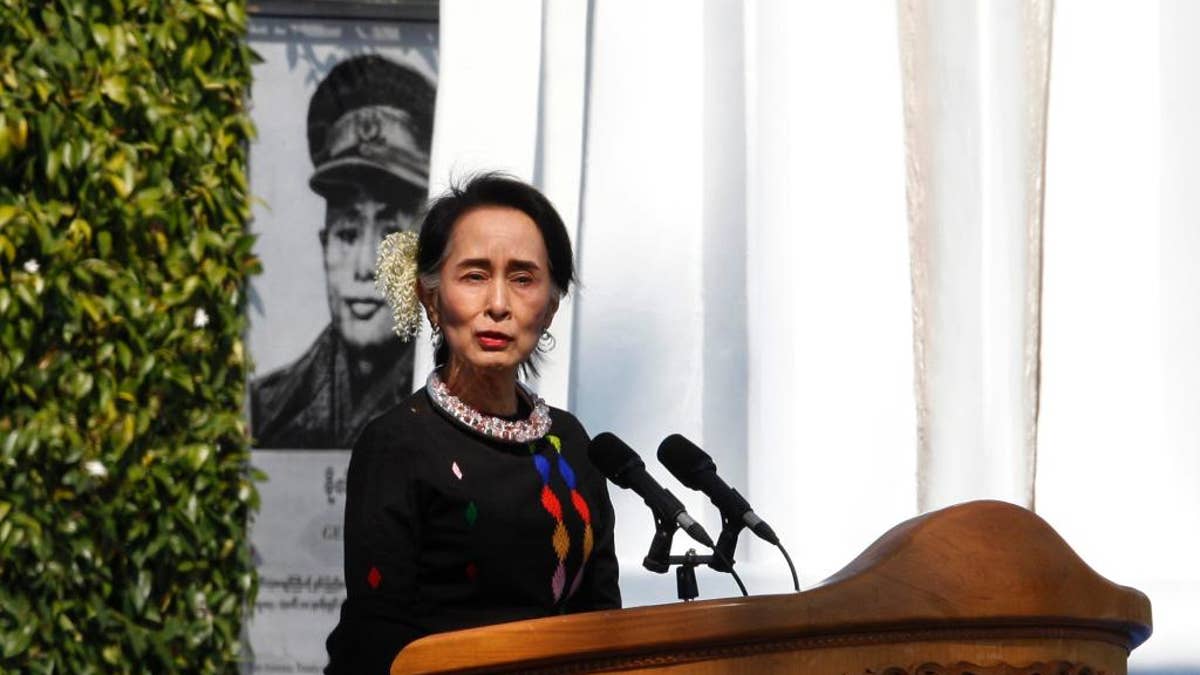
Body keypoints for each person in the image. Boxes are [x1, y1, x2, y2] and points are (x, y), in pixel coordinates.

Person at [324, 174, 621, 674]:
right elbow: (376, 636)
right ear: (431, 298)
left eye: (523, 278)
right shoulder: (398, 444)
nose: (499, 305)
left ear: (550, 306)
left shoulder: (570, 445)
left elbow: (603, 620)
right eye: (475, 275)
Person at [251, 55, 435, 449]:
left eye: (390, 234)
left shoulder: (459, 403)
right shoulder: (265, 410)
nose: (364, 268)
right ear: (324, 245)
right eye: (348, 234)